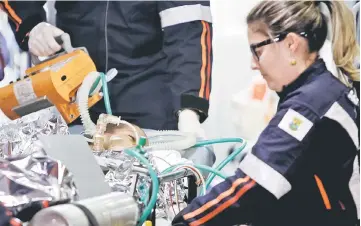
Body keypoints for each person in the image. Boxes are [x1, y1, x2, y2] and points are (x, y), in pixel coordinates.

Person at [172, 1, 360, 226]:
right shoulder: (318, 92)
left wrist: (185, 220)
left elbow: (252, 187)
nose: (253, 64)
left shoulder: (307, 107)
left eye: (257, 50)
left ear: (291, 44)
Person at [0, 1, 213, 136]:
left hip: (150, 99)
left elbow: (188, 32)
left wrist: (190, 109)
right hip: (76, 95)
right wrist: (31, 26)